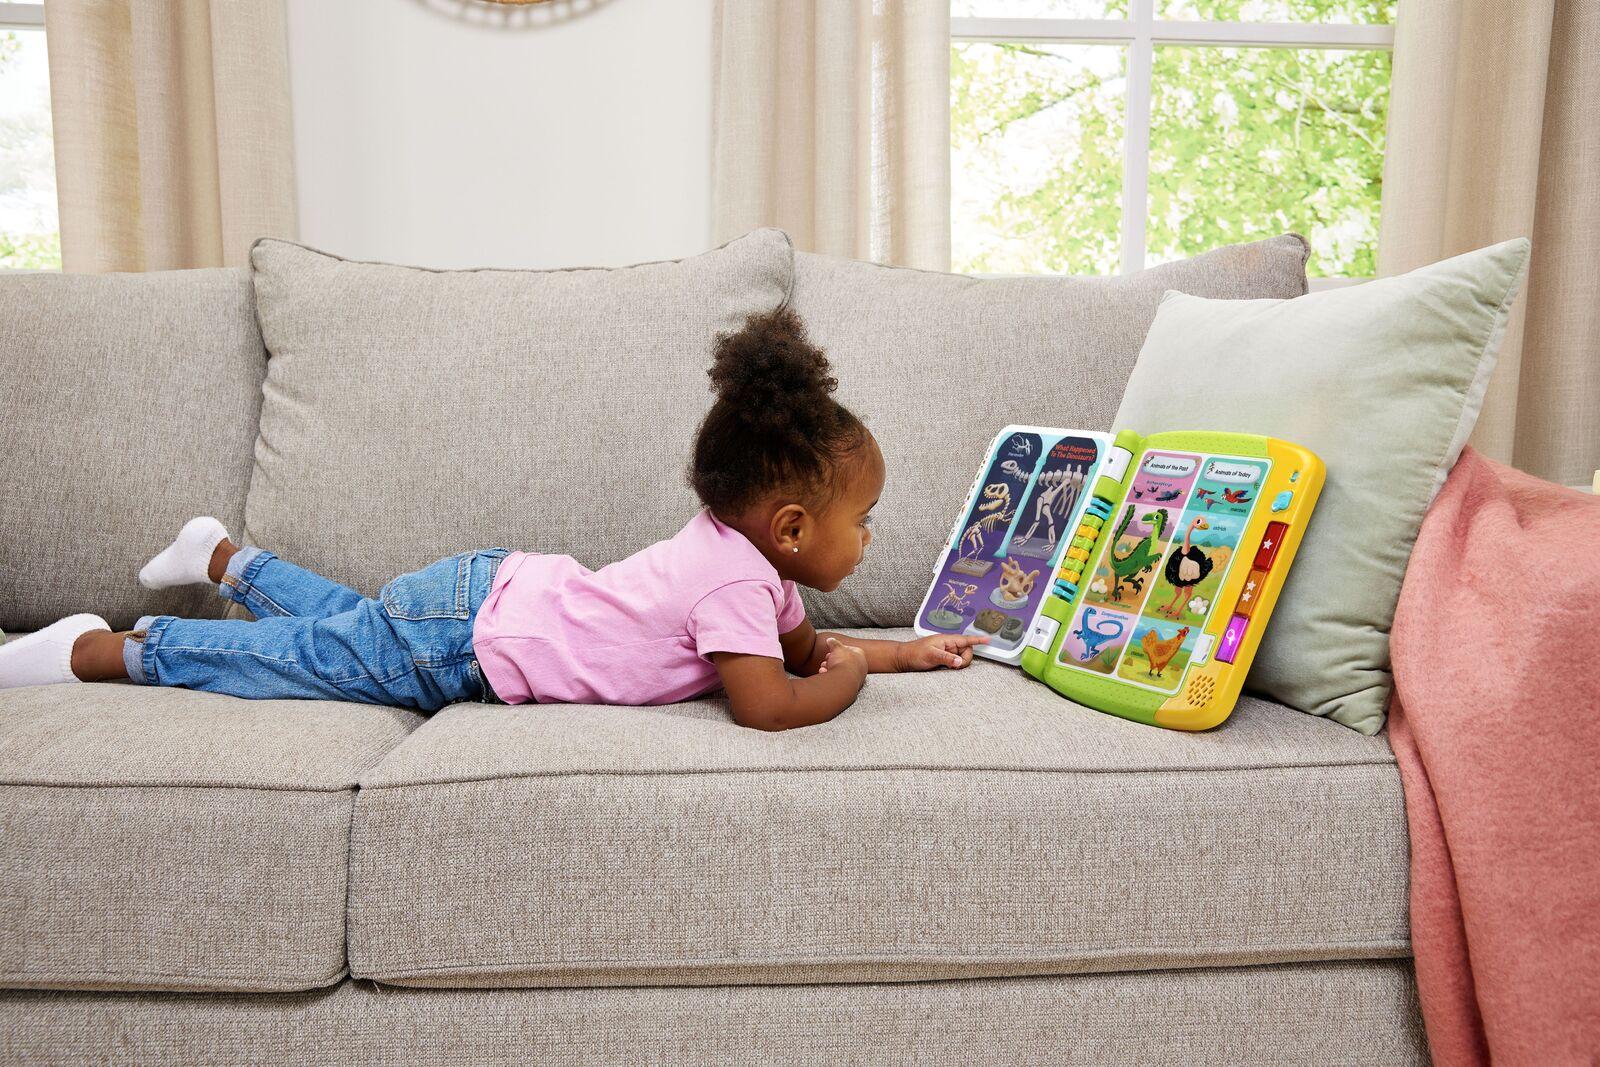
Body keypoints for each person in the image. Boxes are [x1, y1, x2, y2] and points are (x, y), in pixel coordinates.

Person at [0, 309, 986, 730]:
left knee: (347, 628)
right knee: (301, 660)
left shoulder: (748, 567)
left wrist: (904, 653)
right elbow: (772, 702)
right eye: (863, 518)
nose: (870, 536)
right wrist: (849, 681)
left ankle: (221, 555)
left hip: (483, 599)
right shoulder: (732, 581)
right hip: (465, 641)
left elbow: (806, 648)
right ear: (791, 527)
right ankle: (100, 651)